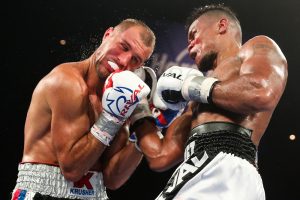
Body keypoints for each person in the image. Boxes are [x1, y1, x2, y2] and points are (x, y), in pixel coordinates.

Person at [131, 4, 288, 200]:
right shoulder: (195, 99)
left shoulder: (256, 47)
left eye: (194, 34)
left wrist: (192, 85)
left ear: (221, 26)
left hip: (229, 172)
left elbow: (261, 92)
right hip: (193, 171)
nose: (189, 46)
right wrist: (138, 105)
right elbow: (160, 156)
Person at [11, 18, 156, 200]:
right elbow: (72, 169)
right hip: (44, 193)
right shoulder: (66, 81)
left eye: (135, 59)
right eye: (124, 47)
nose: (124, 60)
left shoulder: (121, 98)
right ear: (107, 35)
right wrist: (111, 118)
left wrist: (145, 132)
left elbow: (112, 180)